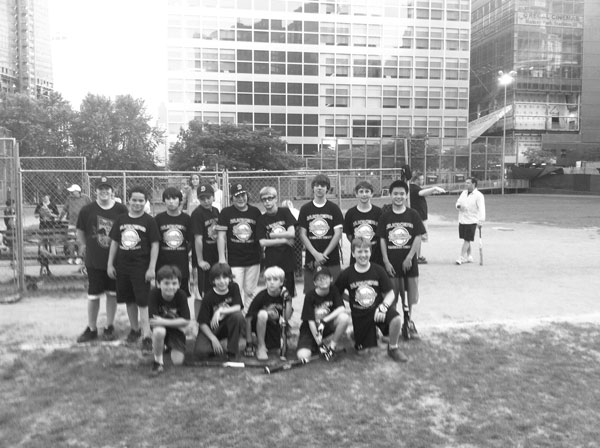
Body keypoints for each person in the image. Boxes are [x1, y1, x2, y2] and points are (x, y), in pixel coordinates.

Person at [336, 237, 408, 362]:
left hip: (378, 311)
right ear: (353, 253)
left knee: (396, 319)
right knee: (363, 353)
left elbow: (390, 293)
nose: (363, 255)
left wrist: (383, 307)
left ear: (370, 252)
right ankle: (357, 334)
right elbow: (337, 293)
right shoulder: (347, 274)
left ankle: (393, 348)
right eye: (359, 252)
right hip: (361, 315)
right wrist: (351, 300)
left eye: (366, 251)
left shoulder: (378, 270)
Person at [107, 185, 160, 353]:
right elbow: (115, 242)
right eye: (134, 200)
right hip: (123, 266)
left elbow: (155, 245)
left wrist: (152, 267)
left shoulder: (149, 220)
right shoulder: (121, 220)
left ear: (146, 202)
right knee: (129, 299)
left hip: (141, 266)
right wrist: (110, 264)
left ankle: (146, 335)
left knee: (143, 301)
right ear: (128, 200)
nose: (137, 203)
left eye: (141, 201)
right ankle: (135, 329)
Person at [75, 176, 128, 343]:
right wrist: (85, 247)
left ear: (113, 191)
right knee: (93, 295)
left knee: (112, 294)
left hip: (115, 261)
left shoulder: (121, 209)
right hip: (95, 260)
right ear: (95, 191)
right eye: (101, 188)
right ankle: (91, 328)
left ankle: (109, 326)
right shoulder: (87, 210)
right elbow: (80, 231)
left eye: (107, 188)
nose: (104, 191)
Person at [377, 180, 426, 340]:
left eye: (402, 194)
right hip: (391, 264)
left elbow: (418, 237)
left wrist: (410, 257)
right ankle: (393, 324)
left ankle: (408, 322)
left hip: (409, 264)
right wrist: (386, 261)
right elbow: (382, 239)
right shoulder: (385, 216)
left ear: (406, 196)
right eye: (395, 194)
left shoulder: (413, 214)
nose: (399, 196)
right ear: (390, 195)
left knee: (410, 296)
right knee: (392, 297)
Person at [217, 182, 261, 311]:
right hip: (235, 260)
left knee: (250, 292)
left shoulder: (255, 211)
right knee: (235, 291)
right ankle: (237, 321)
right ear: (232, 198)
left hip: (253, 259)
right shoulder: (226, 212)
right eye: (237, 196)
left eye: (243, 195)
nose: (241, 198)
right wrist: (221, 258)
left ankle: (248, 320)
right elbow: (221, 236)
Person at [298, 174, 344, 292]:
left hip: (331, 257)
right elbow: (302, 234)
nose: (319, 188)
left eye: (323, 185)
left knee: (335, 290)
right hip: (311, 258)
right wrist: (315, 254)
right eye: (316, 185)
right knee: (311, 291)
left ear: (327, 189)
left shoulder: (334, 208)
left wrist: (324, 254)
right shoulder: (305, 209)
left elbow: (337, 233)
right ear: (313, 188)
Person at [296, 266, 351, 362]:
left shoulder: (333, 290)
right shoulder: (310, 296)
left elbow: (341, 308)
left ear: (331, 279)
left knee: (344, 318)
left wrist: (324, 321)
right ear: (315, 282)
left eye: (325, 277)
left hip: (324, 327)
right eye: (319, 279)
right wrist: (320, 343)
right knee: (303, 356)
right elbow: (310, 322)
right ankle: (317, 346)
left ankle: (332, 347)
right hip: (310, 330)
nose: (322, 280)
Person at [194, 263, 245, 361]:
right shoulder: (208, 297)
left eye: (225, 278)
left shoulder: (234, 287)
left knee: (238, 316)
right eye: (218, 279)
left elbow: (238, 307)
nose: (222, 281)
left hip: (228, 325)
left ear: (230, 278)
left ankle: (232, 351)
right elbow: (202, 323)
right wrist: (213, 339)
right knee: (201, 352)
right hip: (212, 328)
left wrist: (220, 311)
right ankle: (221, 344)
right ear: (213, 281)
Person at [148, 265, 191, 375]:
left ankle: (168, 345)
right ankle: (158, 362)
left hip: (175, 329)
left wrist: (163, 321)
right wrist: (177, 323)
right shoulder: (153, 294)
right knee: (159, 331)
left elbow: (186, 320)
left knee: (177, 362)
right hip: (166, 327)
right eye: (166, 283)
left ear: (179, 284)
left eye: (174, 283)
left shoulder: (181, 295)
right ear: (158, 284)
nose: (170, 287)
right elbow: (153, 321)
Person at [244, 266, 292, 361]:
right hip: (260, 324)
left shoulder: (284, 296)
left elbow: (287, 318)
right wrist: (248, 343)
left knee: (275, 348)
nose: (272, 282)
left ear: (281, 282)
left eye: (275, 279)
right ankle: (261, 347)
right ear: (265, 282)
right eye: (269, 279)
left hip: (274, 327)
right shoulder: (261, 296)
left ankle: (268, 343)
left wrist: (288, 300)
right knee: (263, 314)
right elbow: (248, 318)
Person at [256, 186, 297, 297]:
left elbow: (292, 233)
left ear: (276, 199)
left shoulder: (284, 212)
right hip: (272, 260)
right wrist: (283, 240)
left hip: (287, 259)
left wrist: (272, 235)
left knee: (288, 294)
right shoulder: (261, 219)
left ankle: (287, 314)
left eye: (270, 198)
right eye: (264, 199)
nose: (267, 201)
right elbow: (262, 242)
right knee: (273, 292)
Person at [154, 187, 193, 297]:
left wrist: (185, 251)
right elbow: (155, 242)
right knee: (162, 294)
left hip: (181, 263)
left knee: (182, 295)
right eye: (168, 198)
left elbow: (190, 240)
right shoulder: (158, 219)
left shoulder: (186, 219)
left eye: (174, 198)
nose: (171, 202)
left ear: (180, 200)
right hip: (163, 263)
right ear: (164, 201)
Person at [190, 183, 220, 316]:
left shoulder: (216, 211)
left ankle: (211, 318)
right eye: (202, 199)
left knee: (214, 289)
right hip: (202, 259)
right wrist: (200, 260)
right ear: (198, 200)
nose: (206, 201)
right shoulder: (197, 214)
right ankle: (198, 322)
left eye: (208, 197)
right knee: (199, 293)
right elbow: (197, 238)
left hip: (215, 257)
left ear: (213, 197)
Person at [343, 180, 383, 267]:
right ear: (356, 194)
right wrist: (359, 244)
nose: (364, 194)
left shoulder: (379, 212)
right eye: (361, 192)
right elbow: (349, 235)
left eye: (367, 191)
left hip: (375, 254)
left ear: (372, 194)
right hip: (358, 253)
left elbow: (381, 234)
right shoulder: (350, 213)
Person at [409, 172, 445, 264]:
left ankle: (418, 256)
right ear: (416, 180)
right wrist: (434, 188)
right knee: (418, 237)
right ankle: (415, 257)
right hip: (418, 217)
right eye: (421, 179)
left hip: (421, 216)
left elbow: (424, 194)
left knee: (419, 237)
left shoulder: (415, 187)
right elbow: (421, 193)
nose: (422, 181)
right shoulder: (413, 188)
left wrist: (433, 191)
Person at [455, 177, 486, 265]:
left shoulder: (479, 195)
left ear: (473, 184)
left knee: (467, 240)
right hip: (462, 219)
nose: (466, 184)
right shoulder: (463, 193)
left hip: (472, 220)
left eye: (468, 183)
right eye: (466, 182)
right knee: (466, 239)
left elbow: (482, 209)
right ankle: (469, 256)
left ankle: (461, 257)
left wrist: (481, 220)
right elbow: (458, 202)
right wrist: (458, 206)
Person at [59, 184, 92, 264]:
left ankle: (79, 258)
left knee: (81, 241)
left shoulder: (85, 198)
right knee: (71, 241)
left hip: (83, 223)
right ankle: (71, 257)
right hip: (72, 223)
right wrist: (60, 218)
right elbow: (64, 209)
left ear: (77, 191)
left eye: (72, 191)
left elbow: (92, 208)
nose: (71, 193)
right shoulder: (69, 198)